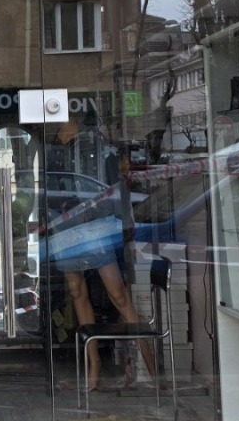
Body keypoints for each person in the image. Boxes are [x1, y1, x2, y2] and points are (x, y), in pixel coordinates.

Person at [48, 113, 157, 391]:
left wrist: (126, 223)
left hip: (96, 228)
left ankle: (153, 371)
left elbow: (117, 189)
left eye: (67, 123)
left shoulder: (99, 150)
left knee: (118, 295)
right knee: (77, 293)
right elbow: (50, 191)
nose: (64, 129)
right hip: (66, 229)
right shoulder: (55, 153)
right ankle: (94, 366)